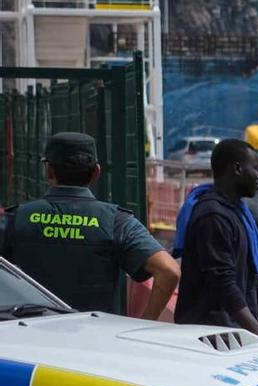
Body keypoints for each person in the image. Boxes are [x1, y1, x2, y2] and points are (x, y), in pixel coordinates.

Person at [0, 132, 178, 318]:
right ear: (96, 172)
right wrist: (146, 323)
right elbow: (169, 271)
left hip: (26, 335)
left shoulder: (16, 218)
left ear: (49, 170)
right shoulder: (117, 222)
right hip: (96, 339)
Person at [175, 139, 258, 336]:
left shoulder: (234, 212)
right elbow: (222, 282)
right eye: (255, 168)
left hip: (228, 332)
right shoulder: (213, 216)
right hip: (211, 335)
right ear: (237, 169)